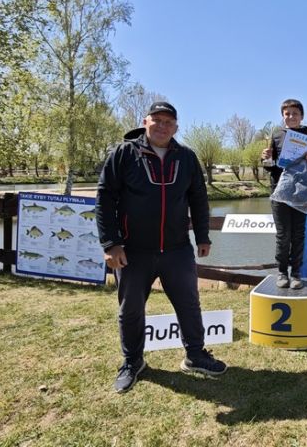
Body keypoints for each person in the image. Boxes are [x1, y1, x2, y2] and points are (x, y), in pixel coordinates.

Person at [96, 101, 227, 394]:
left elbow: (198, 199)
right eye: (157, 120)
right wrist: (111, 243)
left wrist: (202, 237)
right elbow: (104, 198)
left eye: (169, 122)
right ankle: (133, 362)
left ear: (176, 127)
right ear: (145, 122)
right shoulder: (123, 153)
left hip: (177, 249)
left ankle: (195, 355)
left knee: (189, 304)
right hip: (133, 251)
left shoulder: (186, 157)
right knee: (131, 309)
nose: (162, 126)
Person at [261, 99, 307, 289]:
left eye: (295, 113)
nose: (291, 116)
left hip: (302, 193)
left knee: (298, 234)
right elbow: (271, 167)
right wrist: (265, 158)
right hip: (280, 192)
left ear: (302, 116)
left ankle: (296, 273)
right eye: (287, 114)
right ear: (283, 116)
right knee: (283, 235)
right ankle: (282, 272)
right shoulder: (276, 135)